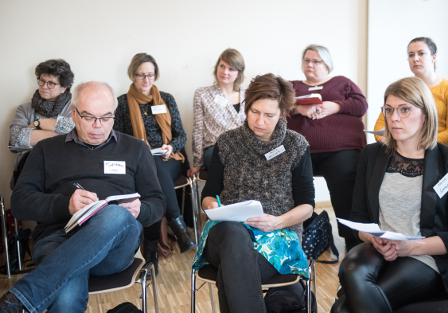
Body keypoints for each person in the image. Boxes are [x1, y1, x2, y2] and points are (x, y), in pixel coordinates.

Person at [0, 82, 166, 313]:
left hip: (115, 247)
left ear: (114, 116)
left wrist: (140, 210)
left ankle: (26, 295)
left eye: (106, 118)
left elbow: (158, 202)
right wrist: (65, 205)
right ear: (73, 114)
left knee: (115, 213)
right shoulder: (45, 150)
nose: (98, 126)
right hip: (57, 239)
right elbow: (19, 203)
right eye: (89, 117)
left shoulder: (136, 149)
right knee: (65, 299)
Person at [331, 77, 448, 313]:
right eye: (389, 110)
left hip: (426, 256)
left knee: (342, 310)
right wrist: (373, 238)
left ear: (425, 114)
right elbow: (359, 217)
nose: (394, 118)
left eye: (405, 110)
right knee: (349, 269)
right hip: (378, 248)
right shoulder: (371, 154)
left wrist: (411, 248)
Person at [192, 73, 315, 313]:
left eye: (269, 115)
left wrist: (277, 222)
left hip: (277, 238)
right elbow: (209, 193)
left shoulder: (296, 146)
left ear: (282, 114)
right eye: (255, 112)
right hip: (225, 234)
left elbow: (307, 206)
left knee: (233, 268)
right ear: (246, 108)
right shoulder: (227, 142)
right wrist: (212, 206)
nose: (260, 121)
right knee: (233, 233)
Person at [114, 53, 197, 264]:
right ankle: (178, 228)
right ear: (132, 75)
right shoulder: (122, 103)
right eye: (141, 75)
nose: (146, 80)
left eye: (150, 75)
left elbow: (181, 135)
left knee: (155, 168)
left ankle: (151, 248)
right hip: (137, 164)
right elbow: (118, 140)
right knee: (150, 171)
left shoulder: (166, 99)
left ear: (156, 75)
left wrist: (171, 147)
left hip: (169, 159)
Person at [286, 44, 368, 251]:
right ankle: (307, 233)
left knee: (346, 184)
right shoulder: (291, 86)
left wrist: (336, 106)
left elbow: (361, 105)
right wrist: (298, 109)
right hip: (300, 151)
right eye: (307, 60)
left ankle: (353, 240)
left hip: (342, 150)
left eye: (316, 61)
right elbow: (275, 108)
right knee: (288, 184)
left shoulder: (342, 83)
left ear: (327, 65)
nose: (310, 64)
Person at [374, 37, 448, 149]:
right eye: (411, 55)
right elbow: (380, 127)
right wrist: (390, 142)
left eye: (421, 53)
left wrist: (417, 143)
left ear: (434, 57)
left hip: (439, 156)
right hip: (402, 153)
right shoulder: (401, 89)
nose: (415, 59)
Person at [9, 59, 75, 188]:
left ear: (64, 87)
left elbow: (75, 135)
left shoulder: (73, 108)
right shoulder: (24, 109)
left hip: (64, 164)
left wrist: (37, 123)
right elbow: (15, 140)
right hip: (29, 163)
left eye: (51, 83)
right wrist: (58, 133)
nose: (44, 86)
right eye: (42, 81)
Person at [187, 48, 246, 177]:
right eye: (222, 66)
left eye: (231, 69)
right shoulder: (202, 94)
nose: (225, 72)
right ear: (217, 67)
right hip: (216, 148)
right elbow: (198, 130)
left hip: (244, 148)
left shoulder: (248, 95)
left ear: (238, 73)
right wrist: (197, 163)